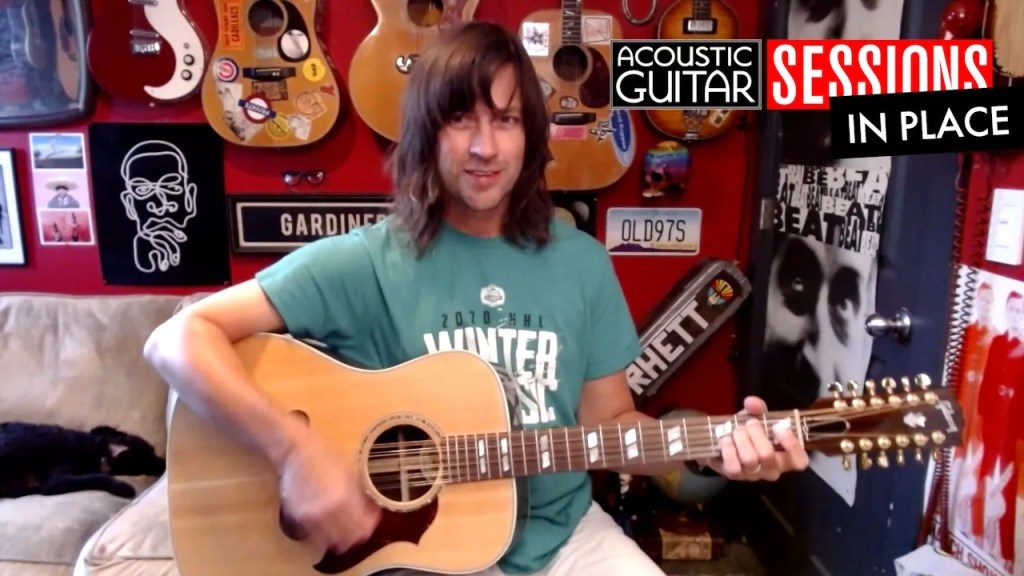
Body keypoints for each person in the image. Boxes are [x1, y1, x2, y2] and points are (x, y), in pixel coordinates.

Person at [143, 21, 810, 576]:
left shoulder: (581, 262)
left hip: (564, 538)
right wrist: (293, 451)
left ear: (530, 135)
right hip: (422, 549)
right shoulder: (366, 260)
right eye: (461, 119)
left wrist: (709, 447)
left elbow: (611, 426)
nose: (485, 147)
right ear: (426, 133)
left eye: (506, 119)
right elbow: (176, 340)